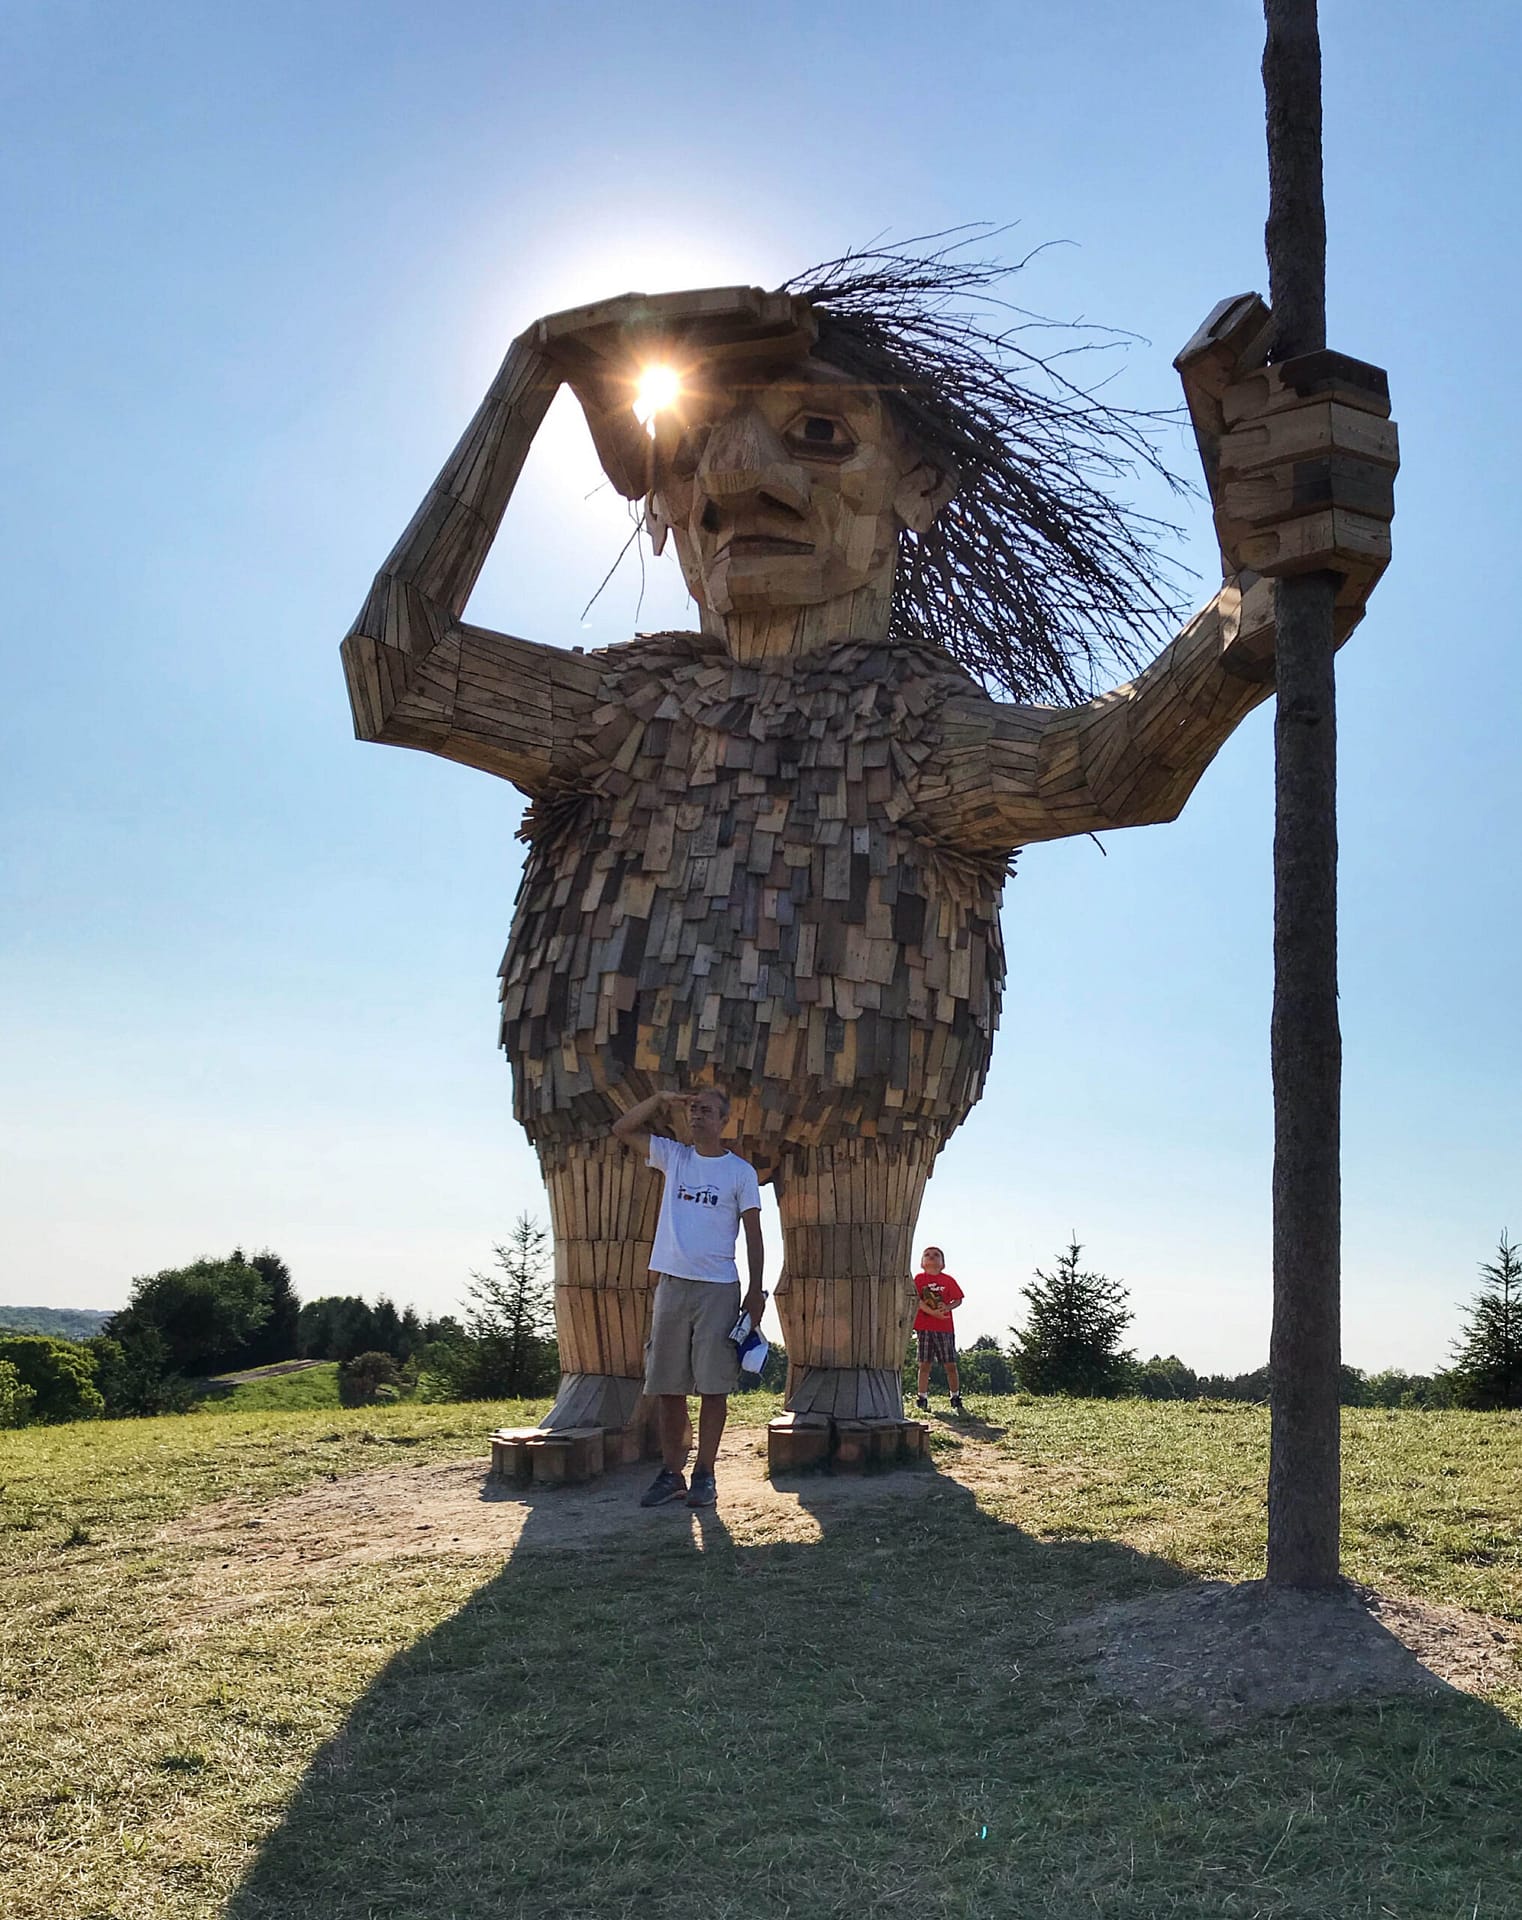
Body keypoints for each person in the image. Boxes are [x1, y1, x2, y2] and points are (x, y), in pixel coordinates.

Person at [612, 1087, 764, 1508]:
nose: (698, 1116)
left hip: (719, 1287)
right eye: (694, 1109)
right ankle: (671, 1473)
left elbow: (754, 1233)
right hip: (673, 1285)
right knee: (668, 1386)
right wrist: (659, 1100)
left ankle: (705, 1474)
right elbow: (622, 1128)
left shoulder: (740, 1173)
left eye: (708, 1111)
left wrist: (755, 1290)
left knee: (714, 1386)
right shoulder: (674, 1157)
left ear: (723, 1121)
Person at [913, 1246, 965, 1416]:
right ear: (922, 1262)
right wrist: (932, 1312)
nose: (931, 1257)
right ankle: (922, 1397)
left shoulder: (948, 1280)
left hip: (944, 1327)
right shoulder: (919, 1279)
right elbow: (917, 1301)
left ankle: (955, 1396)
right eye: (927, 1255)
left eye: (936, 1255)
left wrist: (947, 1306)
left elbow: (958, 1299)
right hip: (924, 1327)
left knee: (950, 1364)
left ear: (942, 1263)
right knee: (924, 1363)